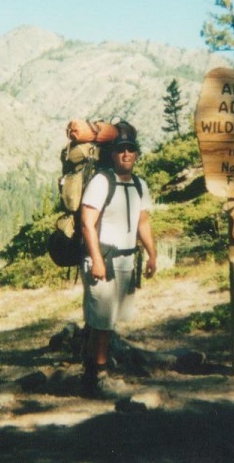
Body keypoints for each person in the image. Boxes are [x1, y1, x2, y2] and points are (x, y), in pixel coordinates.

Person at [79, 123, 157, 398]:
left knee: (110, 320)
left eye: (131, 150)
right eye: (121, 150)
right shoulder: (101, 181)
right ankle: (97, 377)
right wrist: (97, 260)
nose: (126, 154)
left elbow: (143, 221)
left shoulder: (139, 184)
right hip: (104, 259)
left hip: (126, 260)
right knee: (101, 322)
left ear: (136, 155)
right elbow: (88, 224)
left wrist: (152, 253)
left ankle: (94, 369)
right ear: (113, 155)